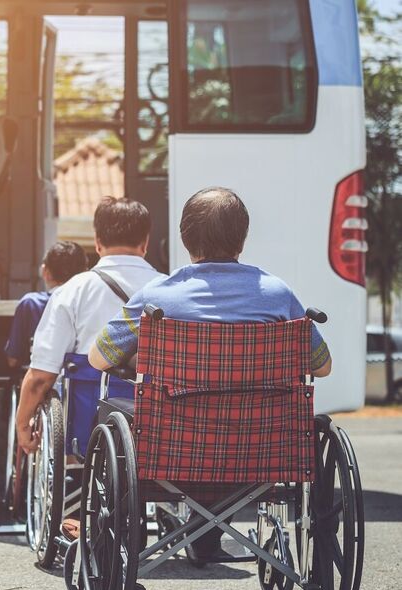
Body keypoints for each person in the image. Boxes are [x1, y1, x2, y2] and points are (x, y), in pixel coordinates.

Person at [88, 186, 332, 559]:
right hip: (263, 447)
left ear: (185, 237)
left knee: (115, 409)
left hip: (174, 449)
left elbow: (99, 359)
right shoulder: (278, 294)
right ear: (243, 238)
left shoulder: (158, 296)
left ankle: (115, 551)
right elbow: (323, 366)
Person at [16, 198, 161, 455]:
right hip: (155, 432)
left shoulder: (73, 291)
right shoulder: (168, 290)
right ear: (145, 242)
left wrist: (22, 424)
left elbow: (41, 376)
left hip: (87, 431)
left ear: (97, 242)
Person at [4, 242, 87, 368]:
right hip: (82, 379)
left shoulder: (31, 304)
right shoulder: (90, 302)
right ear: (85, 272)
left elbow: (13, 360)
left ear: (45, 272)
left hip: (41, 381)